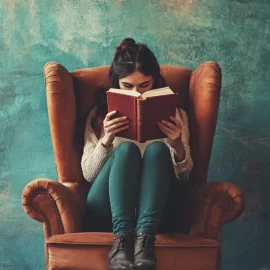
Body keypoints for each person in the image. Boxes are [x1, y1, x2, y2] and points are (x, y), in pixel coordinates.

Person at [81, 38, 194, 270]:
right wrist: (106, 140)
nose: (137, 93)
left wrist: (177, 145)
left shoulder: (175, 114)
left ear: (154, 80)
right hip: (108, 210)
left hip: (155, 213)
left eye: (144, 85)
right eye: (127, 86)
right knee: (126, 149)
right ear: (116, 82)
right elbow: (88, 174)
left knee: (156, 149)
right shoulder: (99, 114)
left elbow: (184, 176)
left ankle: (144, 244)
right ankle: (121, 242)